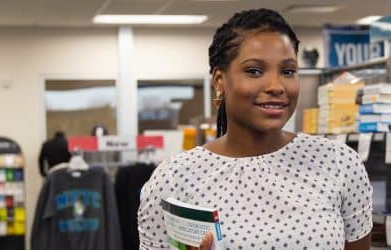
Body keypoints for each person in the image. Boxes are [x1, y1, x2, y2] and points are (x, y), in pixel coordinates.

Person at [137, 9, 372, 249]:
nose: (276, 86)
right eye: (254, 71)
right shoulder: (175, 180)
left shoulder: (338, 163)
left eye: (288, 71)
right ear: (219, 80)